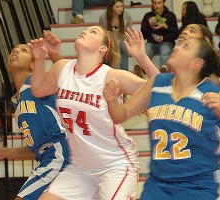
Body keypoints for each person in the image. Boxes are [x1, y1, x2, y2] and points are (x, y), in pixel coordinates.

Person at [28, 25, 159, 199]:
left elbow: (162, 90)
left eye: (93, 31)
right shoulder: (62, 68)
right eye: (85, 30)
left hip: (115, 166)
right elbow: (37, 90)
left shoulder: (112, 76)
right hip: (80, 168)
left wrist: (141, 57)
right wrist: (39, 60)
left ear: (103, 48)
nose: (85, 31)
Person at [103, 37, 220, 199]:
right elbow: (120, 115)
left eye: (185, 46)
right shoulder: (157, 83)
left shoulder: (214, 91)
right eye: (179, 43)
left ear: (196, 63)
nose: (177, 47)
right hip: (158, 184)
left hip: (199, 185)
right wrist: (111, 101)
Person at [0, 31, 70, 200]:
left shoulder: (38, 81)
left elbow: (67, 78)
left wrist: (54, 54)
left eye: (23, 50)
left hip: (60, 154)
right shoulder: (16, 102)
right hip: (47, 157)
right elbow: (35, 149)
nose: (15, 52)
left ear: (33, 64)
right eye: (13, 50)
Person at [141, 0, 179, 70]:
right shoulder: (148, 16)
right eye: (155, 3)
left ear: (163, 3)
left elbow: (176, 34)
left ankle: (164, 70)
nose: (157, 5)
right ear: (152, 3)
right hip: (151, 42)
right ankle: (142, 69)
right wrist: (148, 24)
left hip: (167, 42)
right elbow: (143, 35)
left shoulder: (170, 15)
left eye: (159, 3)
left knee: (165, 52)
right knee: (146, 52)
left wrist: (166, 28)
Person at [99, 0, 133, 70]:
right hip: (109, 41)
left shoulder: (127, 17)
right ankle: (108, 71)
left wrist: (122, 41)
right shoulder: (103, 17)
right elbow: (102, 33)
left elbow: (129, 33)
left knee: (123, 46)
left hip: (122, 41)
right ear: (111, 8)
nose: (120, 9)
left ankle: (124, 72)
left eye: (121, 6)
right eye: (117, 7)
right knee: (110, 48)